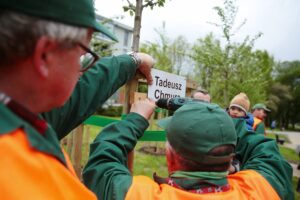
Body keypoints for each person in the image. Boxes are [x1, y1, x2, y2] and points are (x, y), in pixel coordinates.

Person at [0, 0, 155, 199]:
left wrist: (133, 60)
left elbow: (82, 93)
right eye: (83, 55)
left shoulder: (20, 112)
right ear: (45, 54)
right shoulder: (27, 173)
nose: (82, 71)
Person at [83, 100, 293, 200]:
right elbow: (263, 149)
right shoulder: (261, 190)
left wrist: (135, 120)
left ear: (171, 156)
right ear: (231, 157)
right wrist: (217, 118)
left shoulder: (138, 194)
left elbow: (103, 159)